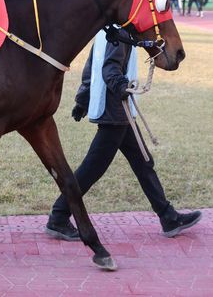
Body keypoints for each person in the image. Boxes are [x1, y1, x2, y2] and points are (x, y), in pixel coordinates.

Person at [45, 29, 202, 240]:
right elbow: (109, 68)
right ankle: (59, 216)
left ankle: (168, 216)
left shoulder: (105, 29)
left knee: (143, 163)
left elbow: (92, 65)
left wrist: (82, 100)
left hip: (119, 112)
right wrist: (120, 86)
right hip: (115, 113)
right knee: (92, 169)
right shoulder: (120, 33)